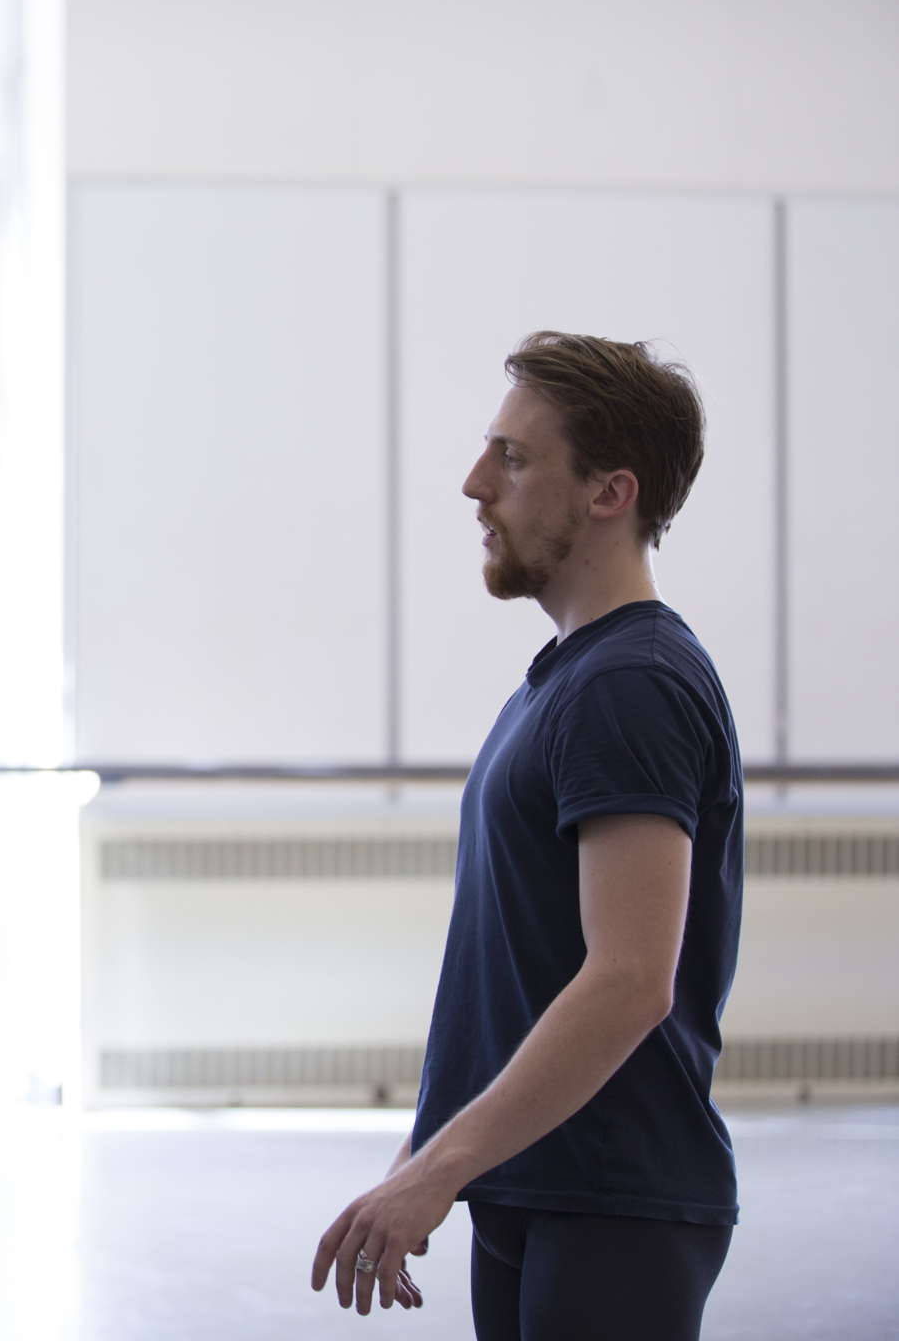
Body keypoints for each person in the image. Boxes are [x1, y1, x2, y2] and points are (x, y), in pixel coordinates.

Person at [311, 333, 742, 1340]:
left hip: (613, 1194)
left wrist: (442, 1166)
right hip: (542, 1182)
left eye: (512, 456)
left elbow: (632, 976)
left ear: (608, 492)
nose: (474, 483)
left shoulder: (629, 684)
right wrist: (435, 1160)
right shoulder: (573, 673)